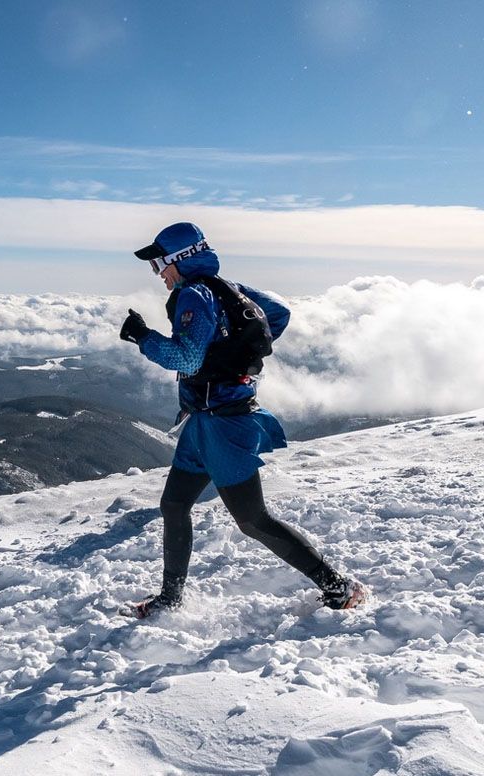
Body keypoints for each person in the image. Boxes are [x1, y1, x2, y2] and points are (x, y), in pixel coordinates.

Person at [119, 222, 366, 618]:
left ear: (180, 259)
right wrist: (236, 352)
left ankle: (338, 586)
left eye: (160, 264)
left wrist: (141, 336)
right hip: (204, 420)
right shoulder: (227, 288)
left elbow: (185, 359)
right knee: (175, 504)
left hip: (223, 425)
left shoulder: (194, 296)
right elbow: (278, 314)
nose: (159, 273)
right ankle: (170, 599)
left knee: (252, 520)